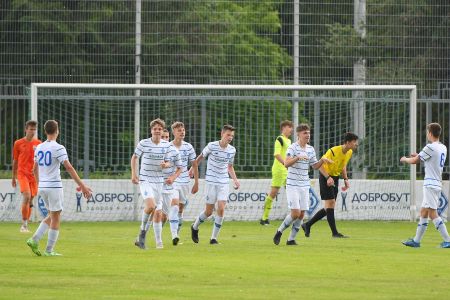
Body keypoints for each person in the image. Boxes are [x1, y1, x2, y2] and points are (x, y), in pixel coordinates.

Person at [26, 120, 92, 256]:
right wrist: (83, 186)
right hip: (54, 186)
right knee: (56, 217)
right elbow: (68, 167)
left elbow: (34, 169)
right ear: (57, 131)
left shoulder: (39, 147)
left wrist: (39, 184)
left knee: (52, 215)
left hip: (43, 187)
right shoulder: (59, 148)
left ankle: (35, 239)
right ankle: (49, 250)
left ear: (45, 131)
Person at [273, 124, 332, 245]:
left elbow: (315, 166)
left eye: (309, 133)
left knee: (302, 213)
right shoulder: (292, 148)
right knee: (295, 213)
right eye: (305, 133)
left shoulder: (310, 149)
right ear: (298, 135)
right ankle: (279, 231)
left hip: (305, 184)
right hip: (292, 184)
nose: (308, 135)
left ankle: (291, 239)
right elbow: (286, 164)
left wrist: (322, 160)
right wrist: (297, 158)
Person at [132, 118, 181, 249]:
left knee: (158, 212)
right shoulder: (144, 143)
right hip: (145, 180)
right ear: (151, 130)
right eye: (155, 129)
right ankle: (143, 232)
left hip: (159, 182)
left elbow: (170, 161)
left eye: (159, 129)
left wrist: (166, 164)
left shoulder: (166, 146)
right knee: (151, 205)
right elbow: (134, 157)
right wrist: (133, 174)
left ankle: (154, 241)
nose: (157, 131)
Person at [401, 123, 450, 248]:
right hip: (436, 183)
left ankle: (448, 240)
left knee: (432, 213)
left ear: (430, 133)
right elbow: (430, 158)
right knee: (423, 212)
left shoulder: (430, 147)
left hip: (430, 183)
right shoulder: (442, 147)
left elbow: (414, 161)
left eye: (427, 131)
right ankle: (416, 241)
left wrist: (405, 159)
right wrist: (419, 154)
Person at [301, 132, 359, 238]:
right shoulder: (333, 151)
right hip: (325, 176)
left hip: (335, 178)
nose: (356, 144)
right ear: (347, 142)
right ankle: (335, 233)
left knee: (329, 207)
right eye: (354, 142)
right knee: (330, 204)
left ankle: (307, 224)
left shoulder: (349, 152)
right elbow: (320, 165)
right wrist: (328, 177)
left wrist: (346, 179)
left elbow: (343, 165)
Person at [191, 125, 239, 244]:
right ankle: (195, 227)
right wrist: (192, 169)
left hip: (223, 182)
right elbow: (201, 157)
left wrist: (235, 180)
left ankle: (213, 238)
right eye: (228, 135)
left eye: (232, 136)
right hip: (211, 182)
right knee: (208, 212)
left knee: (221, 208)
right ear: (222, 134)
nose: (230, 137)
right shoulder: (212, 146)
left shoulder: (232, 150)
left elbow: (230, 166)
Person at [260, 120, 293, 225]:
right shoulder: (280, 139)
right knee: (273, 193)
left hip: (286, 171)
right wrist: (285, 164)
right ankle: (264, 218)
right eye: (289, 127)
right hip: (279, 170)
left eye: (291, 127)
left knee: (292, 191)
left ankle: (295, 215)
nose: (291, 129)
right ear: (283, 128)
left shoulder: (289, 141)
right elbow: (277, 154)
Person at [169, 122, 198, 237]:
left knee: (180, 209)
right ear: (173, 132)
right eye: (179, 130)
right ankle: (174, 235)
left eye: (183, 130)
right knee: (175, 206)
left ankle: (177, 231)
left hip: (185, 181)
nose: (182, 132)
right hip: (173, 181)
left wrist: (196, 182)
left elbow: (194, 165)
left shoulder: (188, 147)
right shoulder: (168, 146)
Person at [12, 120, 41, 233]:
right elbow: (15, 161)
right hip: (22, 174)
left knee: (31, 199)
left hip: (33, 176)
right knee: (27, 196)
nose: (32, 131)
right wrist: (13, 177)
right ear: (26, 129)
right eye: (30, 129)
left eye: (34, 129)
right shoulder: (18, 143)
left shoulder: (38, 144)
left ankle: (26, 224)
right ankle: (23, 225)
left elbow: (39, 162)